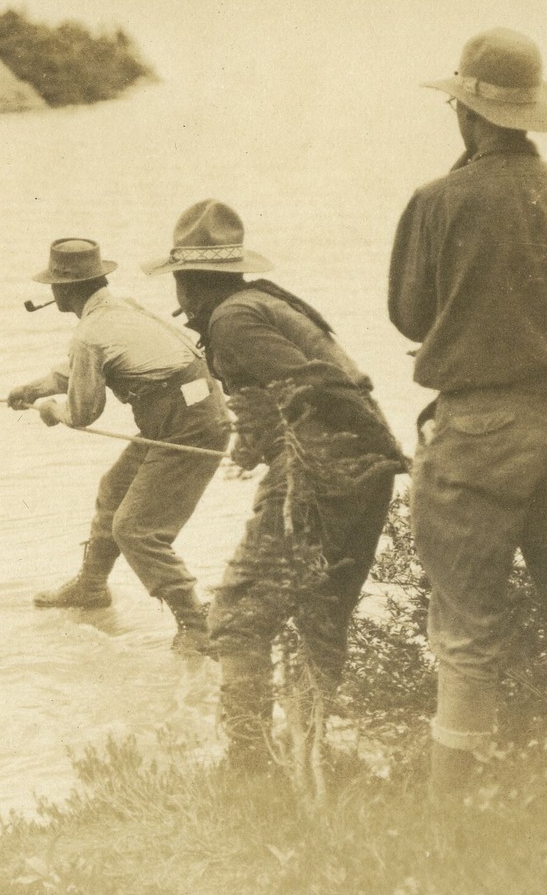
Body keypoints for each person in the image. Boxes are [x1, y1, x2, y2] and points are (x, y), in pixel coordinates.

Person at [387, 28, 547, 796]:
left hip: (474, 442)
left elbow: (408, 315)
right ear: (529, 114)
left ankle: (448, 819)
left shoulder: (435, 202)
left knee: (465, 636)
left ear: (465, 113)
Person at [151, 200, 407, 774]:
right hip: (360, 475)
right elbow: (296, 391)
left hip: (320, 475)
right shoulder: (263, 302)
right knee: (321, 617)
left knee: (235, 620)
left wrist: (294, 458)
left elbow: (315, 385)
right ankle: (310, 754)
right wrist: (259, 441)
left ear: (192, 282)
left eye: (181, 286)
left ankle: (247, 763)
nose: (180, 303)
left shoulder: (232, 320)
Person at [7, 238, 229, 653]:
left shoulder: (90, 334)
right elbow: (79, 369)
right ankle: (91, 587)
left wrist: (54, 410)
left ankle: (195, 625)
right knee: (113, 491)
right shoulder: (120, 306)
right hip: (186, 414)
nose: (52, 291)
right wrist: (33, 388)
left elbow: (84, 411)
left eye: (55, 283)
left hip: (189, 427)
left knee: (136, 530)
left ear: (64, 290)